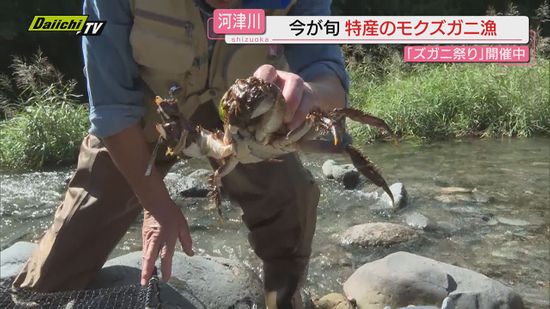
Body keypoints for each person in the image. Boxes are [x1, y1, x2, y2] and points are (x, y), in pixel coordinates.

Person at [13, 0, 348, 308]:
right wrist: (156, 203)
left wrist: (310, 93)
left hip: (247, 123)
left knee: (290, 201)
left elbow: (330, 79)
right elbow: (112, 111)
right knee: (70, 244)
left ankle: (283, 300)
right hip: (145, 121)